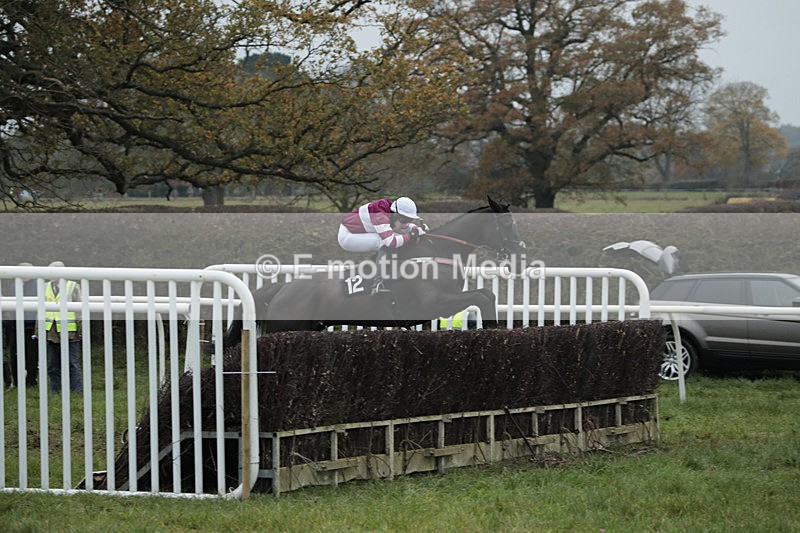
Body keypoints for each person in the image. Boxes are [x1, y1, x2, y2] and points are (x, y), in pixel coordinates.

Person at [338, 197, 426, 294]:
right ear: (397, 215)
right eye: (404, 219)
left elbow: (405, 227)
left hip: (357, 231)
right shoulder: (380, 215)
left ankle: (391, 271)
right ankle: (376, 285)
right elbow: (391, 242)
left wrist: (416, 229)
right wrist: (411, 235)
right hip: (348, 236)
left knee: (399, 239)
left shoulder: (391, 212)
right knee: (386, 242)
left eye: (410, 219)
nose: (406, 222)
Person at [40, 261, 82, 393]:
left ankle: (76, 390)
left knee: (72, 363)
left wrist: (80, 328)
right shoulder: (44, 287)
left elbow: (80, 309)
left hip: (70, 330)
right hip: (51, 330)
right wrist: (38, 329)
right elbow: (40, 310)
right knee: (53, 365)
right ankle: (56, 390)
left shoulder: (73, 286)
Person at [3, 263, 39, 388]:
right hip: (15, 326)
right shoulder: (14, 286)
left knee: (32, 354)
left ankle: (31, 381)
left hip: (31, 326)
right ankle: (17, 382)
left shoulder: (37, 285)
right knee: (15, 354)